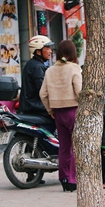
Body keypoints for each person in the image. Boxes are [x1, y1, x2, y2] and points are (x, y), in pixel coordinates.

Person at [40, 40, 82, 192]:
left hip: (58, 112)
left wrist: (51, 110)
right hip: (74, 111)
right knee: (76, 146)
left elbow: (43, 94)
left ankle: (64, 178)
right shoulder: (74, 68)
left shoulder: (49, 70)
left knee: (64, 147)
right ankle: (73, 179)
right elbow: (79, 90)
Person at [19, 35, 55, 130]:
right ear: (38, 51)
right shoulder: (37, 67)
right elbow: (44, 90)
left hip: (34, 107)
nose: (50, 51)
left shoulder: (34, 64)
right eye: (47, 48)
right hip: (37, 108)